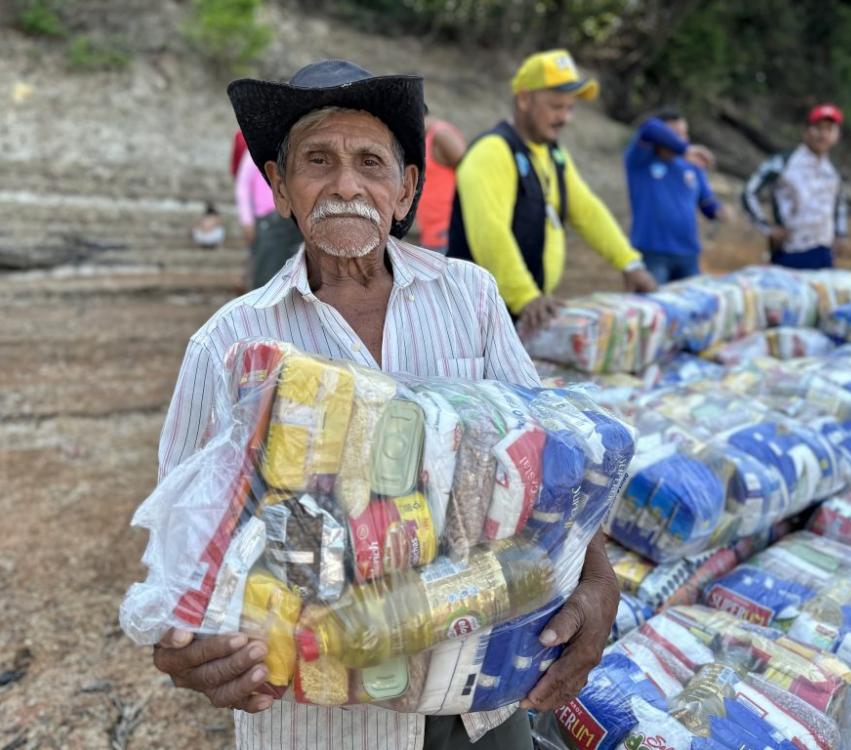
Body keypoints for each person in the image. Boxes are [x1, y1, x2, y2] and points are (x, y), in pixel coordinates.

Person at [150, 58, 620, 750]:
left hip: (481, 696)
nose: (345, 184)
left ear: (405, 192)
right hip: (323, 720)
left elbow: (552, 458)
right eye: (318, 160)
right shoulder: (227, 344)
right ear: (281, 187)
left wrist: (601, 581)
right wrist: (182, 649)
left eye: (370, 162)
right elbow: (177, 550)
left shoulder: (472, 298)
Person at [447, 49, 657, 335]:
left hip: (520, 313)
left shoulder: (552, 153)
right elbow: (490, 233)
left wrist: (630, 263)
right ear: (524, 99)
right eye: (556, 107)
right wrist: (526, 296)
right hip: (475, 316)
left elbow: (587, 211)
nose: (565, 118)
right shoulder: (492, 152)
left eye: (570, 108)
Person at [624, 108, 734, 283]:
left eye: (684, 134)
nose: (683, 139)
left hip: (688, 253)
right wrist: (685, 149)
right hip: (653, 253)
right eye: (675, 134)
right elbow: (649, 128)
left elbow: (706, 202)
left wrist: (719, 211)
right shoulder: (640, 160)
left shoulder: (691, 166)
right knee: (656, 307)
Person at [741, 103, 849, 270]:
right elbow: (749, 191)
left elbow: (839, 204)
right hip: (791, 251)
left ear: (837, 135)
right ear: (806, 132)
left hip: (824, 252)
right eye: (818, 128)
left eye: (830, 129)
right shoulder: (784, 162)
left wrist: (841, 234)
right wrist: (766, 227)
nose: (823, 134)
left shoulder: (832, 171)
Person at [235, 149, 304, 289]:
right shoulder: (254, 152)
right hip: (268, 220)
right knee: (265, 277)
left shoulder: (295, 145)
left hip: (294, 218)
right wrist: (246, 220)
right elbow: (243, 184)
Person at [415, 111, 466, 253]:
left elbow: (470, 172)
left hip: (447, 234)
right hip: (430, 235)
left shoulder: (441, 136)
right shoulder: (423, 139)